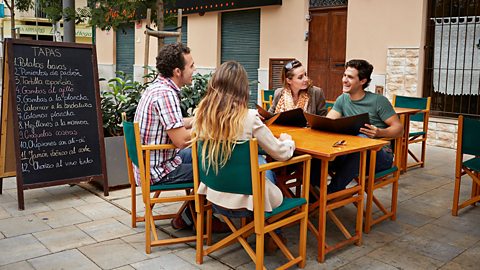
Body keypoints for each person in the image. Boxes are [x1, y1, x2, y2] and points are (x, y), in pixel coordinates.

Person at [193, 61, 295, 213]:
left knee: (258, 161)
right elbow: (281, 154)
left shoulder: (200, 115)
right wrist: (288, 142)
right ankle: (271, 232)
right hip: (250, 202)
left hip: (214, 197)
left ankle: (251, 231)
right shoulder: (249, 117)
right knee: (264, 169)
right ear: (242, 89)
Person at [134, 43, 200, 230]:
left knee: (204, 158)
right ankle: (191, 218)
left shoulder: (157, 87)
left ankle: (191, 215)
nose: (195, 70)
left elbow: (174, 123)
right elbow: (181, 141)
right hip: (159, 170)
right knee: (212, 169)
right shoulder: (166, 94)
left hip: (151, 163)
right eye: (192, 66)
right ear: (178, 71)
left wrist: (198, 119)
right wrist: (210, 128)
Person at [326, 59, 403, 193]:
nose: (344, 80)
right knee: (318, 156)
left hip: (379, 157)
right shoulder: (342, 99)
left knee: (362, 139)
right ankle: (314, 191)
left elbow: (399, 129)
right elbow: (328, 123)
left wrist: (379, 133)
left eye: (350, 77)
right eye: (344, 75)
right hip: (351, 154)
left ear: (362, 81)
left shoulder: (378, 101)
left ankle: (331, 192)